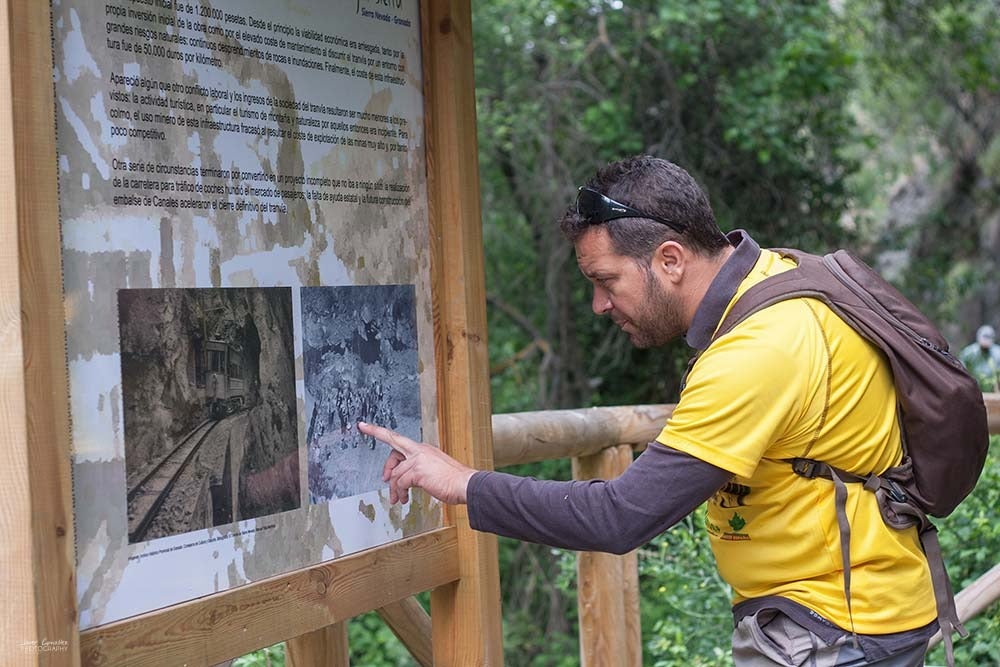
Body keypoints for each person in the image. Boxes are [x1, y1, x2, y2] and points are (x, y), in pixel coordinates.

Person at [359, 155, 938, 666]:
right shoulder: (781, 280)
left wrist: (463, 483)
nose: (598, 304)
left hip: (833, 634)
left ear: (669, 260)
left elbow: (621, 516)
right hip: (864, 611)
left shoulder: (756, 351)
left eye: (605, 280)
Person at [959, 324, 1000, 392]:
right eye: (984, 338)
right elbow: (961, 369)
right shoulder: (969, 352)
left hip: (993, 389)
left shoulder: (998, 353)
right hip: (973, 388)